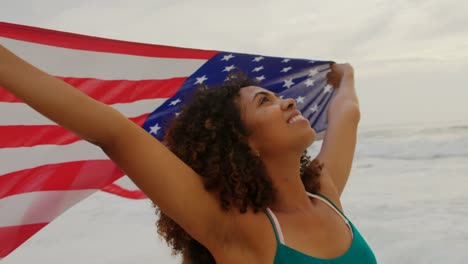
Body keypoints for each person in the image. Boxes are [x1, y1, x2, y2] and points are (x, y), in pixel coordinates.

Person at [0, 44, 377, 263]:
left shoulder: (326, 195)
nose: (289, 101)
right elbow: (114, 133)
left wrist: (346, 76)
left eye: (278, 96)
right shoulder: (238, 231)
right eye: (267, 101)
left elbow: (348, 113)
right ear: (243, 141)